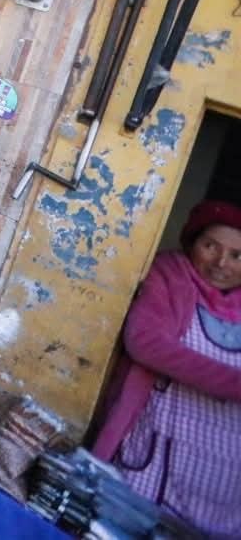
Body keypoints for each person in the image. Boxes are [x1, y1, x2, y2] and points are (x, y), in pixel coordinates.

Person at [89, 197, 241, 535]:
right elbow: (144, 342)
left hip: (222, 483)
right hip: (156, 457)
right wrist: (233, 383)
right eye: (210, 246)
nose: (222, 263)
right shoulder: (170, 275)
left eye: (237, 256)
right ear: (192, 242)